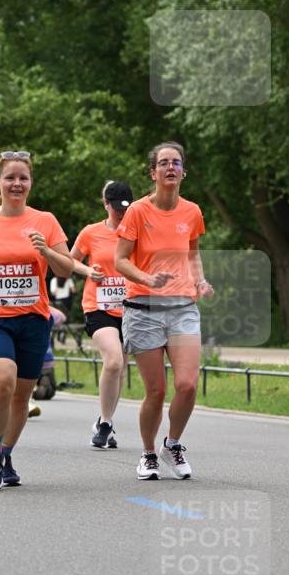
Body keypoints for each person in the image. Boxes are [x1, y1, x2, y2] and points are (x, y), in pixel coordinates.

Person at [0, 150, 73, 490]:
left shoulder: (45, 221)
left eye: (23, 178)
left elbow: (66, 269)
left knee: (22, 395)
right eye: (10, 177)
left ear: (31, 183)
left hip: (33, 320)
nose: (17, 183)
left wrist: (47, 251)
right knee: (2, 380)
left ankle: (6, 453)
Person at [114, 142, 214, 480]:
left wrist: (200, 281)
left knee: (186, 385)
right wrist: (146, 278)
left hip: (182, 307)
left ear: (183, 171)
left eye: (176, 162)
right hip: (143, 309)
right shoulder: (138, 212)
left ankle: (172, 444)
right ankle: (148, 453)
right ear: (153, 172)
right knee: (155, 391)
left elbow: (192, 254)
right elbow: (120, 260)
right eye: (163, 163)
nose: (170, 168)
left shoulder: (192, 212)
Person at [71, 180, 133, 449]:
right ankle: (106, 422)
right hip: (98, 306)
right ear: (105, 204)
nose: (121, 213)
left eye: (125, 208)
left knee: (119, 370)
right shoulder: (91, 233)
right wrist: (87, 271)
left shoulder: (138, 231)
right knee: (114, 361)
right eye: (116, 208)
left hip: (131, 307)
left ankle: (103, 422)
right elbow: (68, 260)